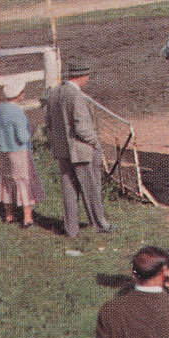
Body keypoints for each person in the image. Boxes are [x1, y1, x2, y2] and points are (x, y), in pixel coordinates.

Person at [45, 59, 113, 237]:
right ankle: (100, 224)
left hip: (62, 151)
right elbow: (82, 128)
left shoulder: (53, 93)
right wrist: (95, 142)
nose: (87, 80)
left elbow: (49, 123)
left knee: (69, 191)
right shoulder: (76, 96)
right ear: (81, 76)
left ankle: (71, 229)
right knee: (91, 190)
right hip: (81, 151)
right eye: (86, 76)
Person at [0, 78, 45, 227]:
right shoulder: (18, 112)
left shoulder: (0, 110)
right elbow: (23, 137)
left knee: (7, 180)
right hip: (19, 151)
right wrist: (31, 130)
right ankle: (27, 218)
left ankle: (9, 215)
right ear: (18, 94)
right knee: (23, 181)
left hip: (3, 150)